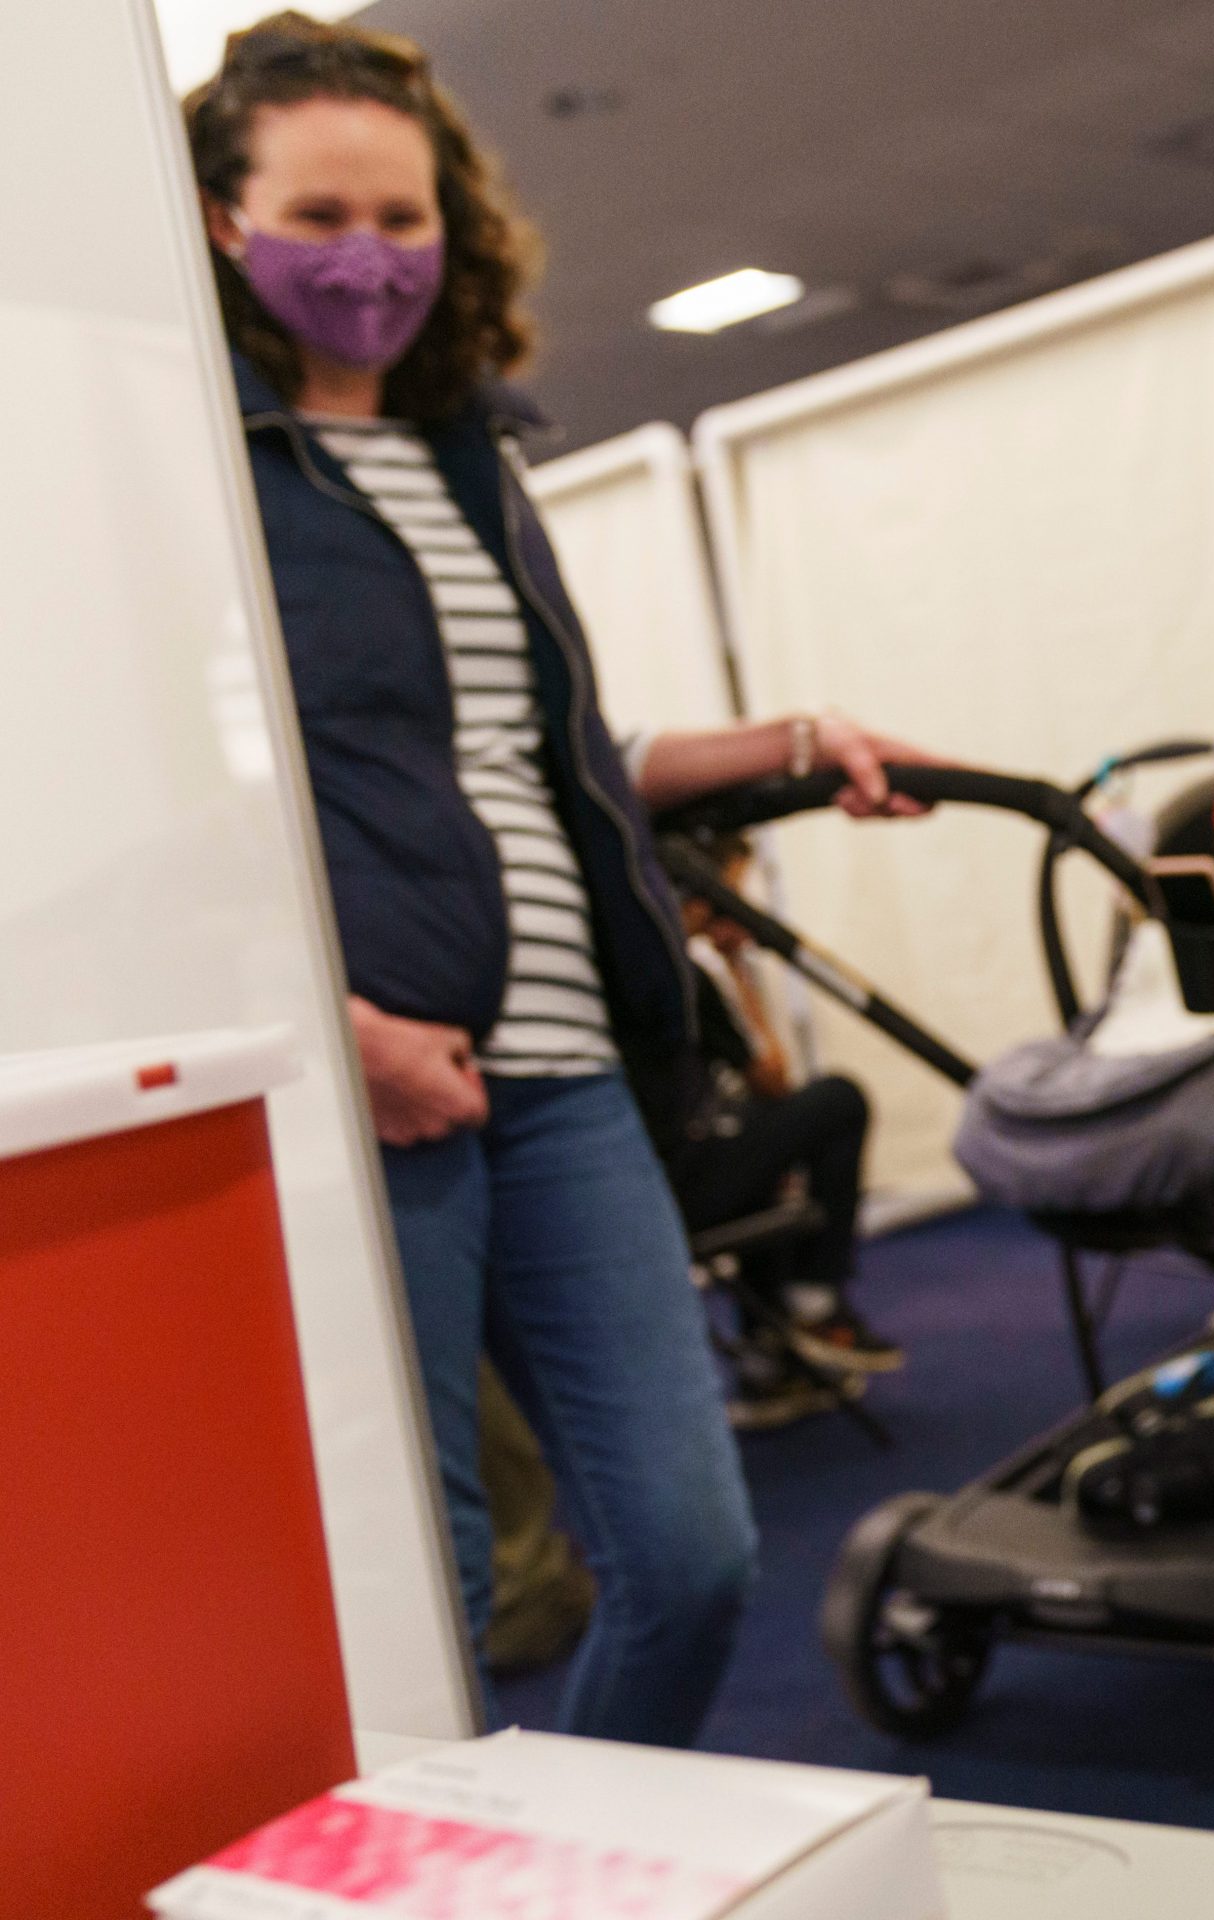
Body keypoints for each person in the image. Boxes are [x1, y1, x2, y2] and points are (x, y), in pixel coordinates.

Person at [186, 12, 929, 1744]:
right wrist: (337, 1027)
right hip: (383, 1087)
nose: (370, 257)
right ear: (225, 223)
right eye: (323, 215)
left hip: (573, 1067)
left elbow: (553, 756)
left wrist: (791, 740)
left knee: (688, 1555)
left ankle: (568, 1849)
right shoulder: (211, 478)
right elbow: (193, 824)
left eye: (403, 217)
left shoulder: (474, 458)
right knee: (430, 1598)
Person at [667, 839, 897, 1428]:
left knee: (767, 1149)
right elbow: (772, 1078)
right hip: (683, 1190)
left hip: (664, 1184)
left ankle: (770, 1368)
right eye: (733, 897)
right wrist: (742, 967)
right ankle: (815, 1300)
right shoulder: (682, 973)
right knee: (838, 1101)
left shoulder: (646, 968)